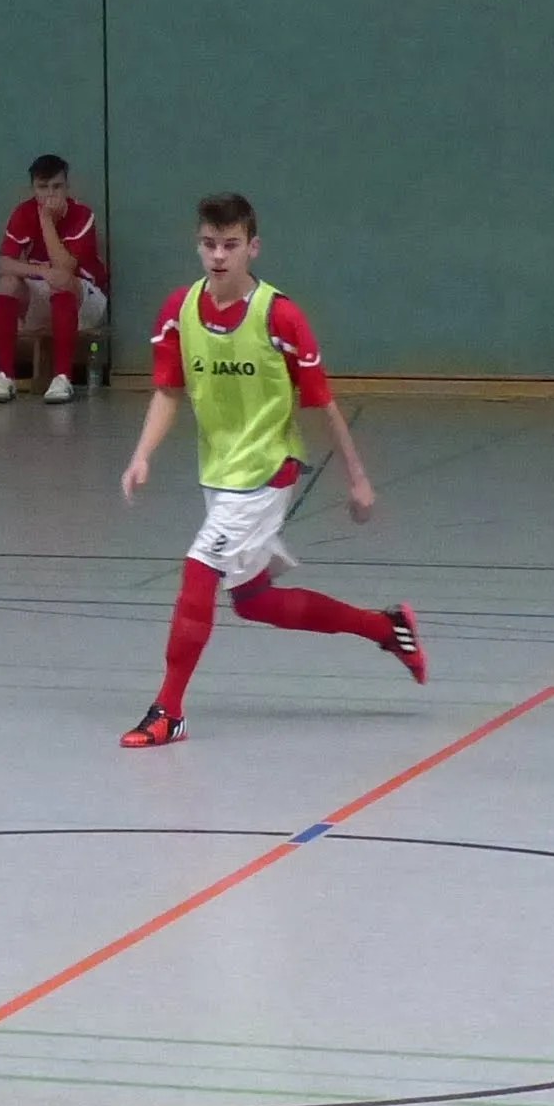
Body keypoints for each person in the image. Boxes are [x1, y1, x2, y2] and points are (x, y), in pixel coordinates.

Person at [116, 193, 426, 749]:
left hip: (267, 472)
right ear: (197, 246)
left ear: (252, 248)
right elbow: (168, 390)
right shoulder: (179, 311)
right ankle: (386, 627)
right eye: (209, 244)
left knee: (199, 567)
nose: (219, 255)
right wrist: (142, 454)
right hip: (219, 474)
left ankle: (168, 710)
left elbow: (324, 403)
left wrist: (357, 478)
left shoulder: (280, 317)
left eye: (230, 245)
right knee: (254, 600)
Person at [0, 153, 109, 406]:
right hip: (44, 295)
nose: (50, 194)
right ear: (33, 189)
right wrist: (40, 271)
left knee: (61, 279)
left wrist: (46, 220)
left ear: (67, 186)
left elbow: (64, 267)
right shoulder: (23, 212)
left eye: (57, 186)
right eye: (43, 187)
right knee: (7, 283)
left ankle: (62, 377)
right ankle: (5, 377)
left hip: (85, 302)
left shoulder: (82, 214)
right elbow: (3, 263)